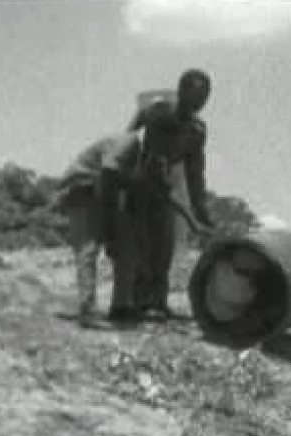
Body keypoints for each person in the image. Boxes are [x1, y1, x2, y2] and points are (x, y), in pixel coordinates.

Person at [127, 69, 215, 319]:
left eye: (205, 96)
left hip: (164, 189)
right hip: (141, 183)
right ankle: (139, 303)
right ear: (181, 92)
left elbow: (195, 173)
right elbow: (142, 145)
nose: (200, 101)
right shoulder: (160, 114)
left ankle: (158, 301)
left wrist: (201, 211)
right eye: (195, 94)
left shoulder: (197, 130)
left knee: (164, 246)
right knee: (143, 243)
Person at [56, 132, 145, 329]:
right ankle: (87, 311)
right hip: (83, 189)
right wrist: (110, 216)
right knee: (89, 248)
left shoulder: (148, 159)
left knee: (126, 248)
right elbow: (108, 171)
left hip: (105, 193)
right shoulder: (130, 141)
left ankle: (121, 307)